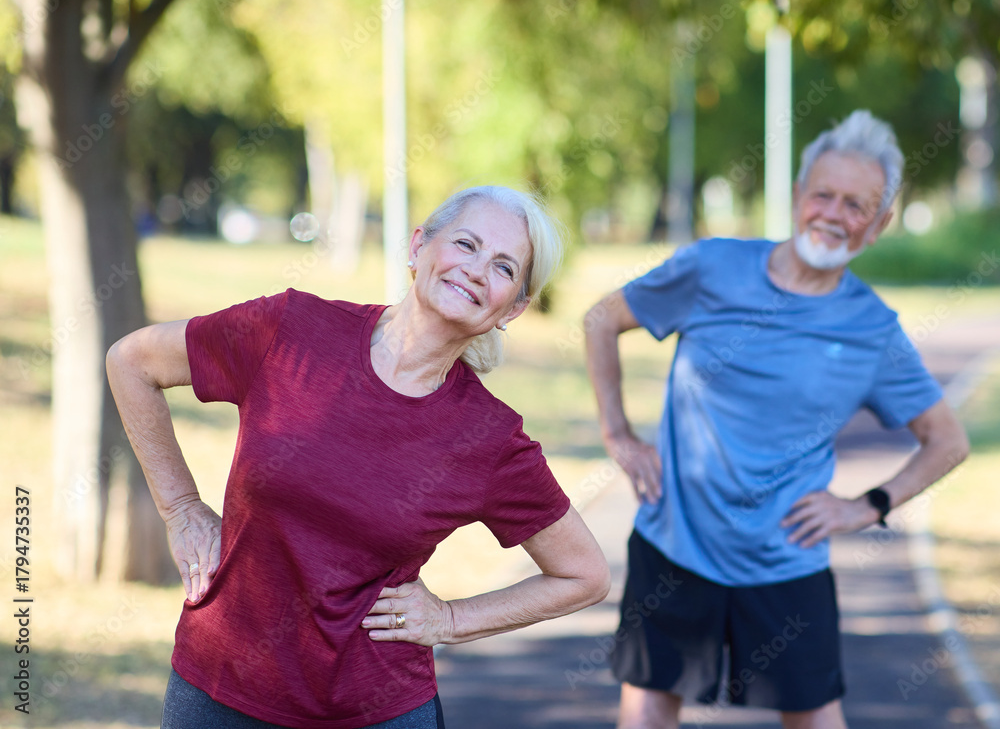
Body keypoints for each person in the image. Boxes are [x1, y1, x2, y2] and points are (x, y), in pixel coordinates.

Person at [107, 185, 611, 729]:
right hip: (217, 691)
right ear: (419, 247)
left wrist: (449, 620)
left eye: (503, 267)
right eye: (466, 243)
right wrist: (180, 508)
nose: (476, 270)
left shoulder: (489, 439)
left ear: (512, 308)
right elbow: (132, 363)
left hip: (374, 711)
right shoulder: (291, 330)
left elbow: (583, 574)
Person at [584, 111, 970, 729]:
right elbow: (601, 319)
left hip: (786, 560)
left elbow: (947, 441)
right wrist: (617, 435)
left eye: (856, 204)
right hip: (673, 545)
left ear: (879, 224)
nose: (834, 214)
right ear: (796, 197)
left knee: (816, 719)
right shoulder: (711, 269)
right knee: (649, 711)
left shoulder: (874, 330)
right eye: (823, 194)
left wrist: (867, 505)